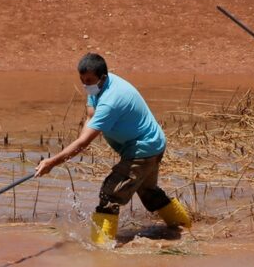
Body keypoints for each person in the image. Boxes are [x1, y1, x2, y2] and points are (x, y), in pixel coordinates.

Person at [35, 53, 191, 245]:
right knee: (148, 191)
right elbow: (90, 116)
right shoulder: (100, 86)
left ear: (103, 78)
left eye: (89, 81)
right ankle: (185, 225)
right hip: (152, 143)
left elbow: (83, 143)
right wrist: (82, 139)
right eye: (82, 80)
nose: (85, 85)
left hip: (143, 149)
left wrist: (53, 162)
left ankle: (101, 247)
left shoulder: (111, 100)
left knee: (110, 195)